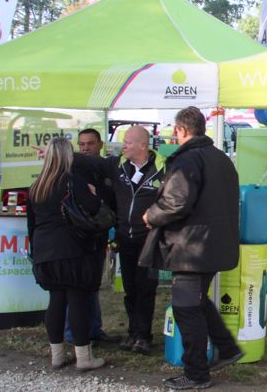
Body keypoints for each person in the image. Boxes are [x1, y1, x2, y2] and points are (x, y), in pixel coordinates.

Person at [141, 107, 243, 390]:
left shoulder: (188, 160)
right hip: (213, 245)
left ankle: (196, 373)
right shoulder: (221, 159)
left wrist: (151, 215)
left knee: (187, 308)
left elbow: (176, 202)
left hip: (191, 248)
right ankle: (226, 347)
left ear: (181, 130)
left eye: (174, 130)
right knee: (196, 300)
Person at [27, 138, 106, 371]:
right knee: (77, 301)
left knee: (56, 301)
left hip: (45, 252)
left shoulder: (36, 186)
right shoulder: (72, 181)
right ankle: (84, 358)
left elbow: (31, 224)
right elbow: (93, 208)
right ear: (67, 157)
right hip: (72, 251)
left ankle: (57, 355)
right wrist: (93, 193)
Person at [110, 125, 164, 354]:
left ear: (143, 145)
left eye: (128, 142)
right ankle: (133, 333)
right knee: (130, 289)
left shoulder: (163, 169)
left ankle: (144, 335)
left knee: (146, 288)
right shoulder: (118, 166)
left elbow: (170, 200)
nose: (124, 146)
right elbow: (90, 164)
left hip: (149, 240)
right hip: (125, 239)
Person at [65, 128, 117, 347]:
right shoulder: (73, 170)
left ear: (100, 144)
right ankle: (73, 334)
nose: (85, 148)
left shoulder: (107, 168)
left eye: (90, 144)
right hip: (79, 236)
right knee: (78, 287)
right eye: (82, 144)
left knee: (94, 283)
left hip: (99, 233)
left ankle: (94, 329)